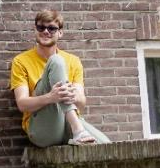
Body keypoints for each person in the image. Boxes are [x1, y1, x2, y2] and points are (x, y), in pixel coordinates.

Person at [9, 10, 109, 147]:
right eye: (41, 27)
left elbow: (81, 103)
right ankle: (78, 129)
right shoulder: (21, 61)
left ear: (60, 32)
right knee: (56, 61)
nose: (45, 31)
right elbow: (22, 104)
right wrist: (51, 97)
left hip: (67, 124)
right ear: (35, 30)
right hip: (42, 128)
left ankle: (77, 129)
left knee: (106, 145)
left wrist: (73, 96)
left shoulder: (73, 61)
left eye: (51, 28)